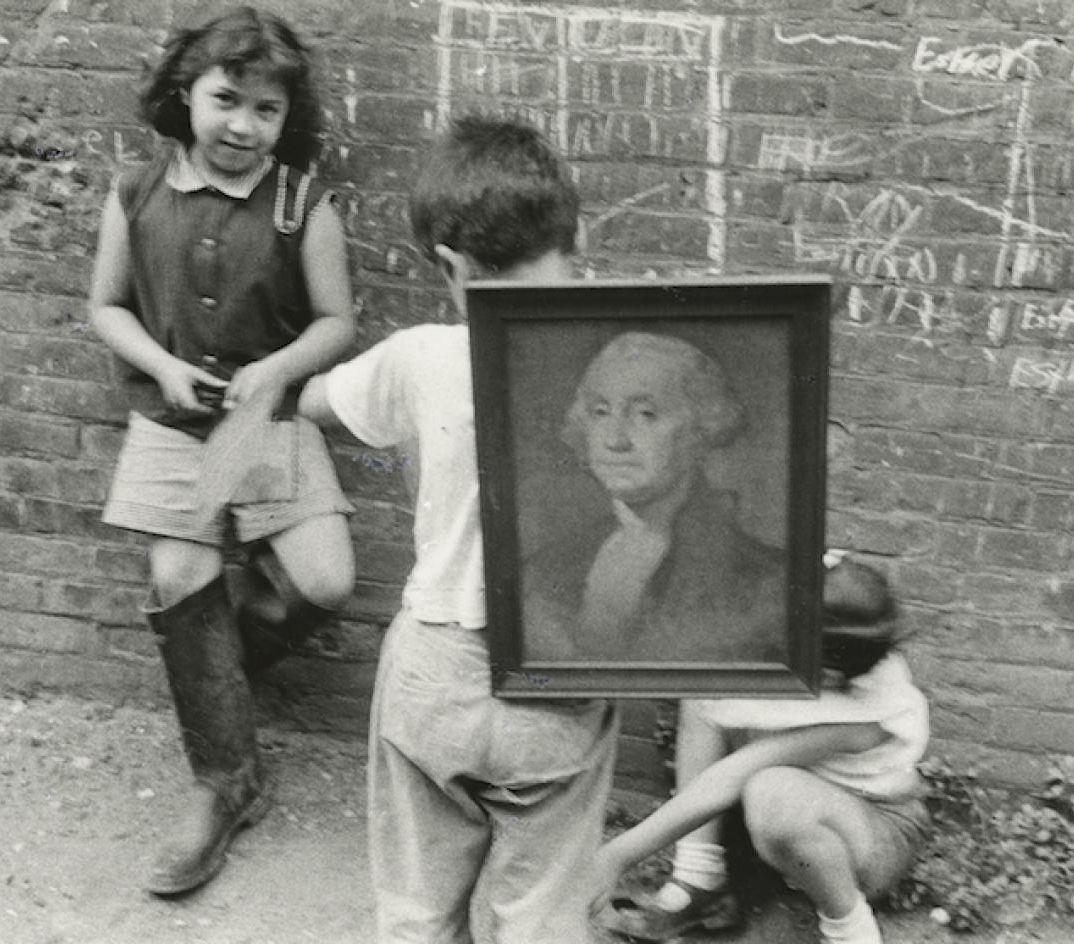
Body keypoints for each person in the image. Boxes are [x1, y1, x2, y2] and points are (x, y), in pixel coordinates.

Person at [296, 114, 618, 943]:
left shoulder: (421, 356)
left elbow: (315, 402)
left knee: (415, 908)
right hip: (561, 672)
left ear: (449, 263)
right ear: (573, 234)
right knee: (544, 911)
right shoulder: (625, 360)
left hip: (433, 669)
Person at [86, 7, 356, 896]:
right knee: (178, 579)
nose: (242, 125)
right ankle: (225, 779)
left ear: (288, 122)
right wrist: (162, 368)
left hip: (262, 423)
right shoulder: (135, 190)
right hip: (173, 425)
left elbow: (336, 321)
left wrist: (275, 372)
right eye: (226, 100)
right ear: (184, 96)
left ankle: (214, 683)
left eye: (266, 110)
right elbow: (107, 307)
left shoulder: (301, 202)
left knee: (324, 582)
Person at [588, 552, 931, 944]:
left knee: (770, 790)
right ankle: (698, 880)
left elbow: (732, 776)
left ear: (830, 671)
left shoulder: (870, 712)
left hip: (875, 832)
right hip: (805, 815)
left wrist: (616, 856)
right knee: (707, 696)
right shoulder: (841, 651)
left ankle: (851, 929)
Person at [521, 332, 787, 662]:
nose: (615, 440)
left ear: (702, 427)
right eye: (600, 412)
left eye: (646, 414)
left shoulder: (767, 582)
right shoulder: (545, 569)